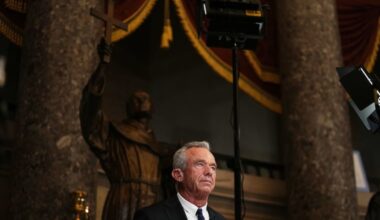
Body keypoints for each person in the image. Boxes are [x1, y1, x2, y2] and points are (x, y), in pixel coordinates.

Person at [80, 39, 171, 220]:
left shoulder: (157, 147)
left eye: (145, 98)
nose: (142, 101)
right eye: (136, 99)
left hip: (154, 203)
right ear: (128, 107)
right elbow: (90, 113)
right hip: (125, 200)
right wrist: (102, 67)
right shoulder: (114, 134)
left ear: (153, 108)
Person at [133, 141, 225, 220]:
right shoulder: (151, 216)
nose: (209, 172)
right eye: (200, 164)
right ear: (178, 175)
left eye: (213, 167)